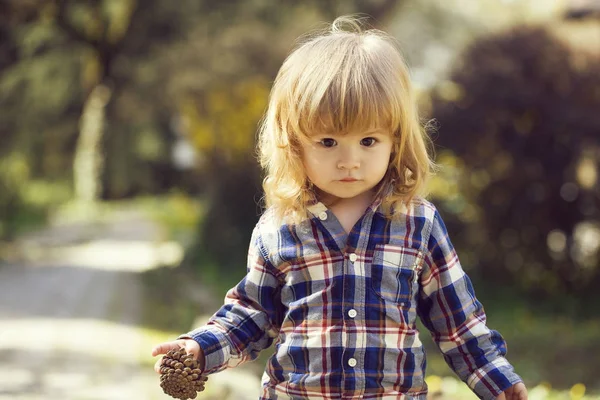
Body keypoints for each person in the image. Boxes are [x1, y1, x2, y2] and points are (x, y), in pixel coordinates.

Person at [152, 15, 528, 400]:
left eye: (368, 141)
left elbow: (459, 325)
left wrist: (499, 381)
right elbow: (251, 315)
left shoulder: (419, 225)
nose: (350, 161)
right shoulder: (278, 228)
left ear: (395, 141)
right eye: (328, 142)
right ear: (295, 143)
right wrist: (199, 349)